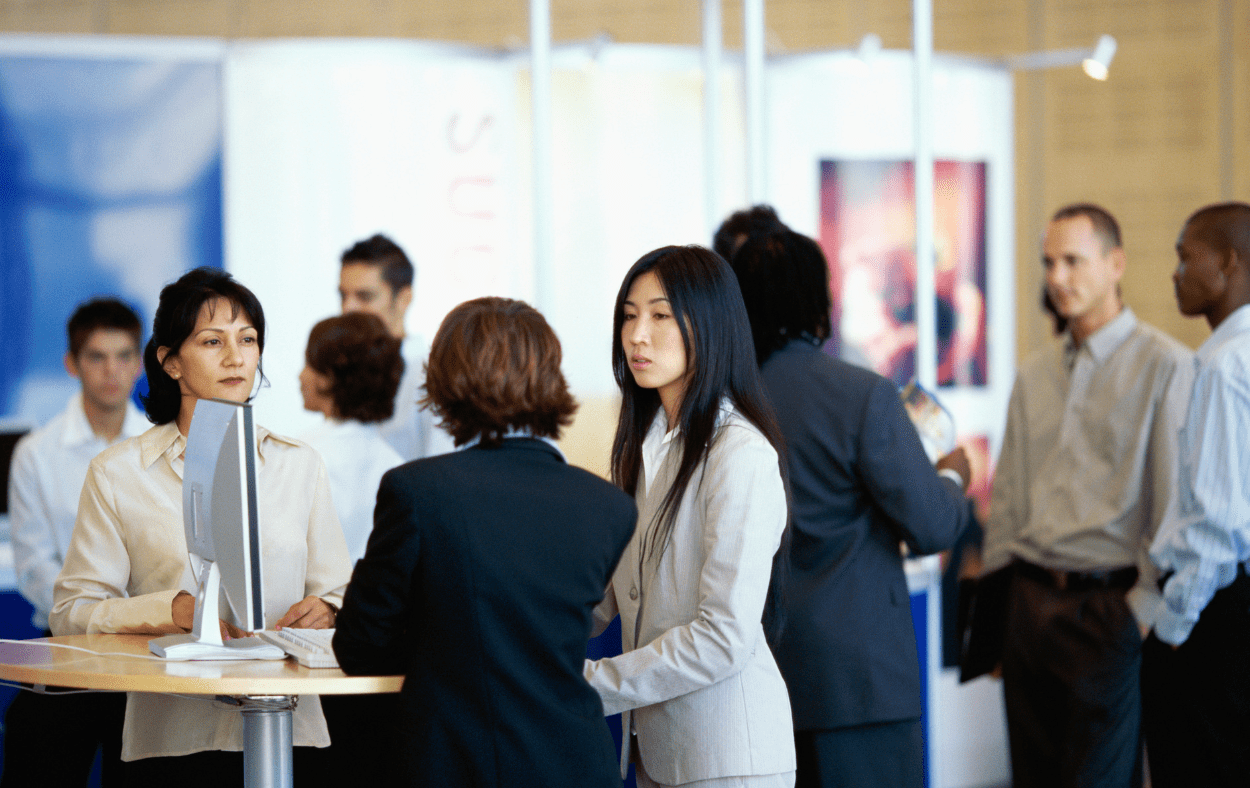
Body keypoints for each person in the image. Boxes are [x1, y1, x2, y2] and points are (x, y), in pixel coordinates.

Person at [50, 267, 351, 784]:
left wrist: (326, 608)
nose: (236, 357)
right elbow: (71, 614)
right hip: (173, 740)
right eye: (212, 341)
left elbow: (340, 590)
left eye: (248, 340)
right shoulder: (119, 472)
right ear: (170, 362)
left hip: (290, 731)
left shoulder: (299, 464)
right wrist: (171, 610)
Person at [332, 297, 636, 786]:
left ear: (445, 381)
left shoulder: (416, 491)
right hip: (576, 765)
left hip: (457, 764)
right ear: (552, 377)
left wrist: (435, 643)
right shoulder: (609, 507)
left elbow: (360, 646)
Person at [727, 227, 971, 788]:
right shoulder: (863, 394)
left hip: (759, 674)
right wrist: (954, 476)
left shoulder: (727, 403)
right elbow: (932, 524)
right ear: (820, 298)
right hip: (862, 683)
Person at [982, 204, 1194, 788]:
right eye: (1050, 262)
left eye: (1074, 261)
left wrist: (1139, 614)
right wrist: (1001, 618)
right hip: (1028, 607)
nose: (1057, 277)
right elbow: (1008, 501)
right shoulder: (1033, 374)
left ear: (1115, 263)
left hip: (1106, 612)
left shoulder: (1167, 367)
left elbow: (1173, 503)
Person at [585, 245, 796, 788]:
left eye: (659, 315)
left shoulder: (739, 454)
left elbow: (723, 634)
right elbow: (610, 594)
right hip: (660, 753)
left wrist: (592, 682)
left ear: (708, 325)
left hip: (728, 758)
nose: (637, 335)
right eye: (629, 316)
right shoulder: (646, 445)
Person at [3, 297, 147, 787]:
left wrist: (131, 623)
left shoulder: (161, 445)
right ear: (71, 364)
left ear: (141, 362)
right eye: (97, 356)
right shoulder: (35, 455)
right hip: (64, 652)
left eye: (124, 355)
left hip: (147, 657)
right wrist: (96, 619)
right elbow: (33, 566)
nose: (112, 370)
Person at [1143, 201, 1250, 787]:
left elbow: (1216, 524)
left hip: (1216, 616)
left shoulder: (1225, 365)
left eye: (1187, 257)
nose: (1176, 273)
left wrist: (1174, 627)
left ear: (1229, 262)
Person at [298, 312, 404, 563]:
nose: (300, 375)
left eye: (308, 363)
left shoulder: (302, 455)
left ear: (329, 376)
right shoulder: (396, 465)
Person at [338, 233, 453, 462]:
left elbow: (442, 468)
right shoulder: (344, 371)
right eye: (343, 295)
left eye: (364, 296)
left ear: (403, 299)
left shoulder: (431, 375)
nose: (348, 308)